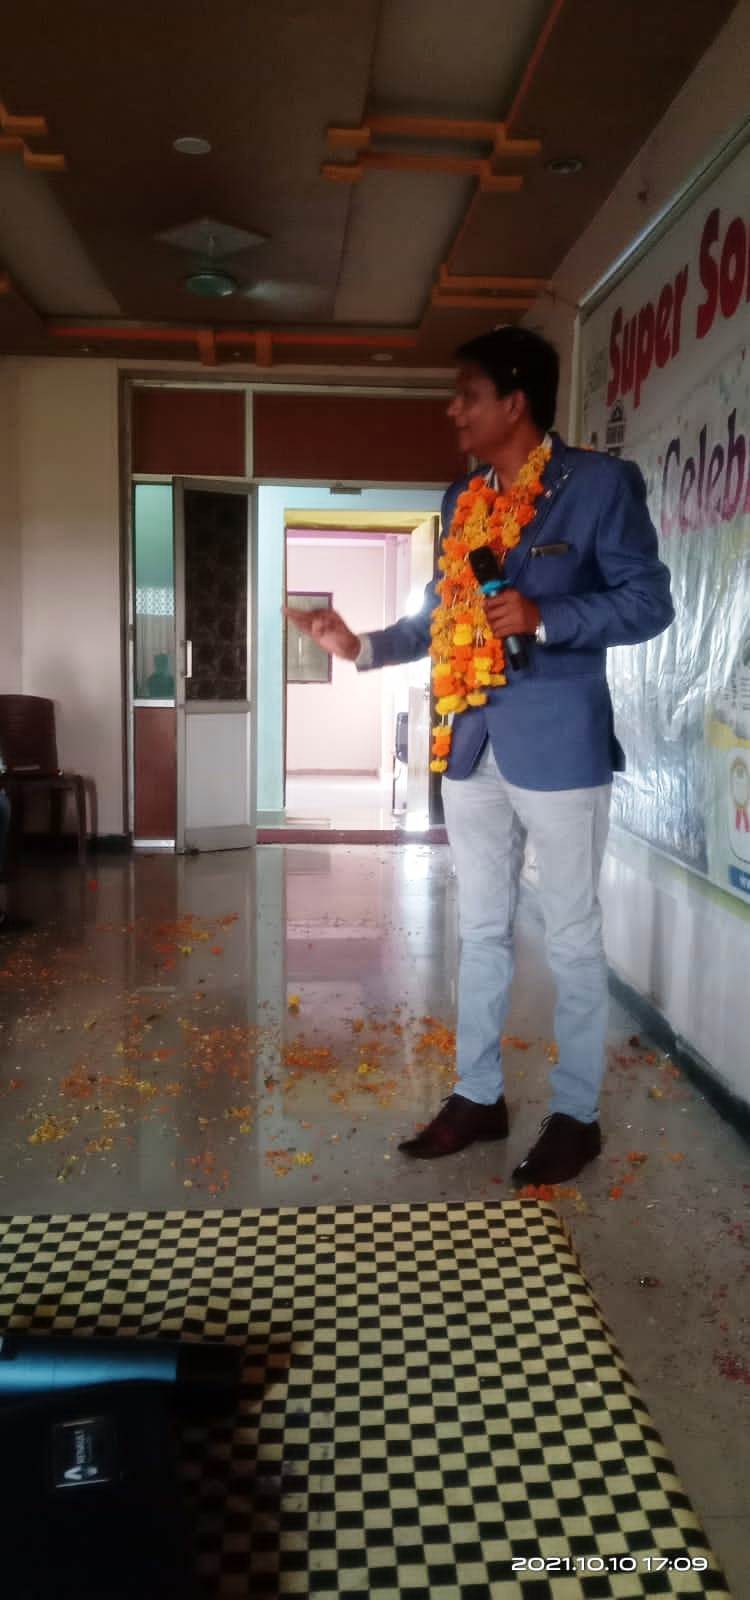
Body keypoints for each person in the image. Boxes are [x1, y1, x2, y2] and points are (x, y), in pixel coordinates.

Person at [285, 326, 674, 1185]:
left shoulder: (599, 486)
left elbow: (649, 604)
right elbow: (441, 613)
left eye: (467, 394)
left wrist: (548, 617)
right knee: (483, 929)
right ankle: (478, 1095)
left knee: (571, 938)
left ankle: (576, 1114)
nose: (453, 410)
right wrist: (360, 645)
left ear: (515, 402)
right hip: (471, 742)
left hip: (561, 745)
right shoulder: (462, 498)